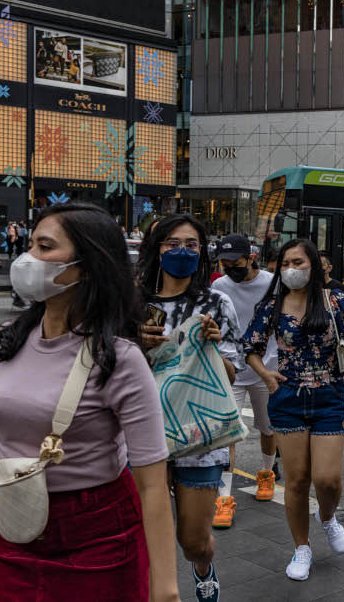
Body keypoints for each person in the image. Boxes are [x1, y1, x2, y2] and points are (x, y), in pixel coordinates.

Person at [0, 203, 179, 602]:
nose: (27, 258)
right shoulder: (6, 342)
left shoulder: (119, 358)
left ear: (87, 265)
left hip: (99, 536)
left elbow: (153, 484)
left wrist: (166, 589)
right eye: (31, 244)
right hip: (14, 527)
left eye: (44, 247)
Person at [242, 238, 344, 581]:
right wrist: (266, 375)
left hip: (328, 395)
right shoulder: (272, 304)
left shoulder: (334, 298)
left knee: (328, 479)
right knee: (296, 481)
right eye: (285, 264)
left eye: (298, 262)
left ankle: (327, 517)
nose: (291, 269)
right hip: (287, 398)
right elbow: (249, 346)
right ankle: (302, 547)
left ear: (313, 265)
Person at [138, 214, 243, 600]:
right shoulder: (132, 301)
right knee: (147, 534)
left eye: (191, 244)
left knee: (193, 540)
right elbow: (106, 366)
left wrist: (213, 349)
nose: (182, 251)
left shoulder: (216, 303)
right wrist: (136, 343)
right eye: (172, 243)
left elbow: (230, 376)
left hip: (199, 434)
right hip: (142, 433)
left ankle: (203, 566)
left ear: (202, 252)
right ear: (157, 249)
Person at [212, 233, 281, 497]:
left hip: (266, 368)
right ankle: (224, 495)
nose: (230, 268)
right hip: (231, 369)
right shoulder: (220, 286)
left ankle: (266, 474)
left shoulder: (272, 283)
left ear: (250, 257)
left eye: (234, 262)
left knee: (267, 428)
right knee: (228, 433)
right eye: (224, 263)